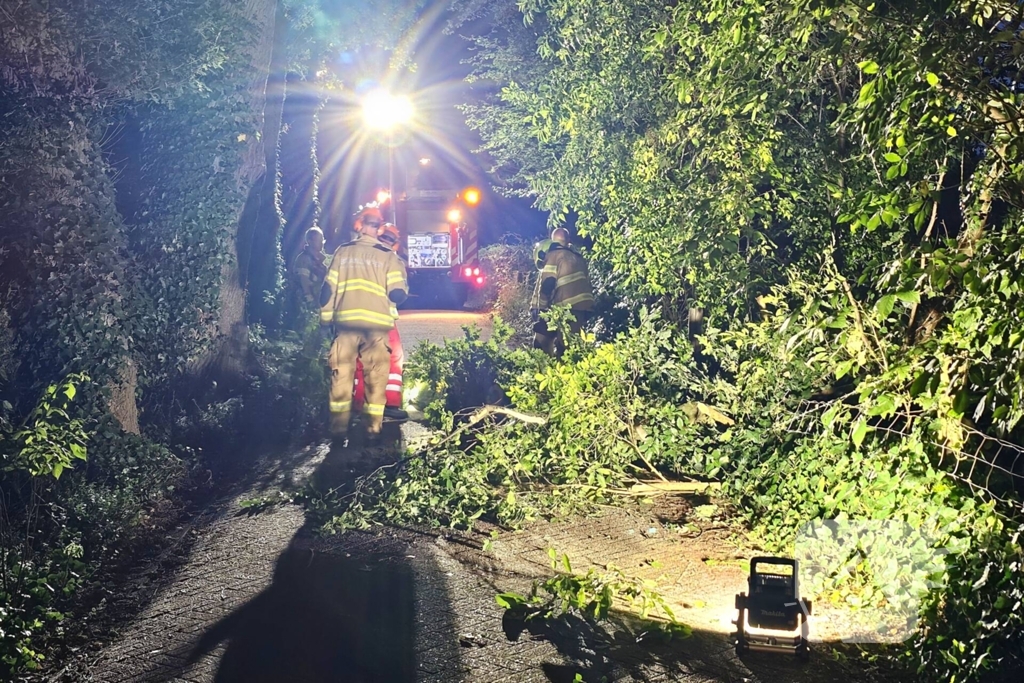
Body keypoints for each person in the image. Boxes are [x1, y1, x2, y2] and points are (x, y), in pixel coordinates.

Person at [320, 207, 408, 444]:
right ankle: (372, 431)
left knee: (341, 378)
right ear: (379, 228)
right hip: (377, 328)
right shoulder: (388, 256)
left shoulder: (343, 252)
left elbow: (328, 291)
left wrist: (325, 321)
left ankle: (338, 431)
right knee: (376, 379)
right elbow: (397, 292)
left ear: (358, 224)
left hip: (346, 327)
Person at [353, 223, 408, 421]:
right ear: (395, 243)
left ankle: (360, 405)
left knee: (361, 360)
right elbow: (399, 293)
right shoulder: (392, 260)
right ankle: (390, 404)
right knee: (393, 359)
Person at [530, 227, 595, 357]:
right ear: (568, 241)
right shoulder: (579, 258)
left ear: (552, 241)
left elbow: (547, 284)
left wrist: (539, 308)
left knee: (542, 343)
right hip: (582, 307)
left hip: (563, 307)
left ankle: (544, 372)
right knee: (569, 347)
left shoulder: (553, 255)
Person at [289, 227, 328, 328]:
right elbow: (304, 281)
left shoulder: (321, 261)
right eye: (318, 240)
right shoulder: (304, 259)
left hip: (320, 302)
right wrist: (309, 300)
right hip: (305, 304)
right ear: (310, 241)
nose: (321, 243)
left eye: (322, 239)